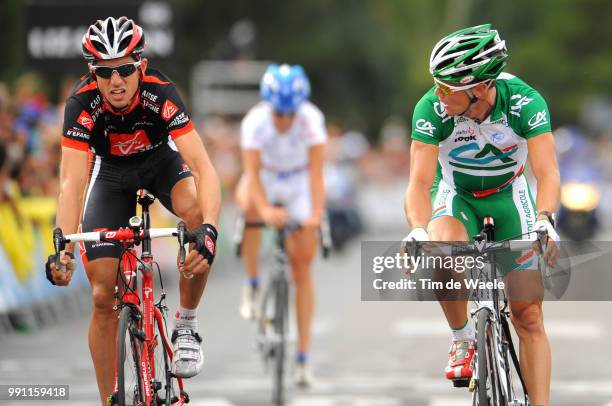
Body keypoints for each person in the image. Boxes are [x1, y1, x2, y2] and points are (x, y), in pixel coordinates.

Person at [44, 17, 221, 405]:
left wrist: (208, 231)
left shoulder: (162, 92)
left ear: (140, 66)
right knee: (102, 294)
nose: (116, 81)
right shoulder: (81, 104)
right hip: (111, 176)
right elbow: (71, 183)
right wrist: (64, 250)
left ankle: (187, 326)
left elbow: (204, 168)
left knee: (192, 211)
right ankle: (111, 398)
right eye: (105, 73)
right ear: (93, 74)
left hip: (161, 165)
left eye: (125, 69)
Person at [404, 24, 560, 406]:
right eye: (437, 85)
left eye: (447, 88)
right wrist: (417, 231)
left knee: (529, 316)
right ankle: (461, 338)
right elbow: (419, 183)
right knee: (440, 247)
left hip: (510, 197)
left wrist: (545, 219)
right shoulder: (431, 109)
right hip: (459, 197)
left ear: (478, 88)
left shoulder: (525, 101)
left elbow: (548, 172)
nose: (438, 95)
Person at [236, 64, 326, 387]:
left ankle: (302, 359)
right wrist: (263, 209)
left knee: (302, 268)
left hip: (299, 181)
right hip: (267, 178)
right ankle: (252, 281)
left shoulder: (312, 120)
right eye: (279, 114)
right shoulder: (255, 122)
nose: (285, 121)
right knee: (247, 206)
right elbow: (252, 173)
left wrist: (315, 215)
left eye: (290, 114)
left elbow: (316, 175)